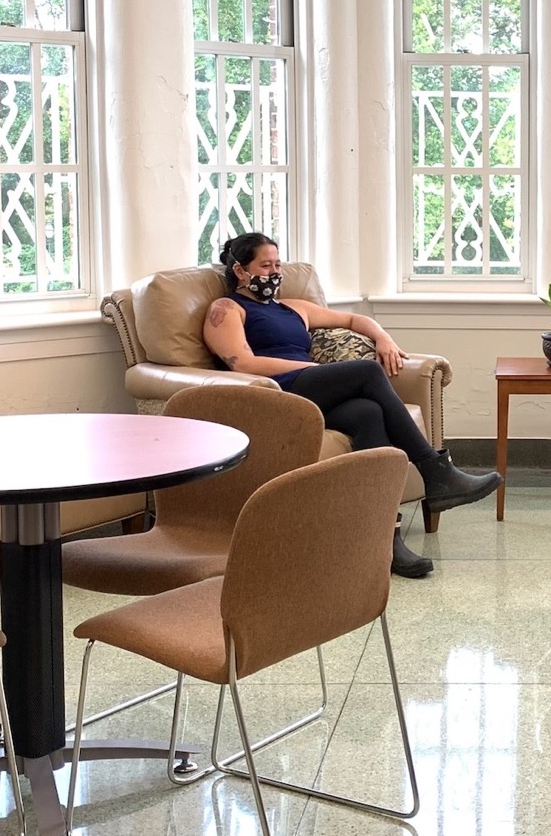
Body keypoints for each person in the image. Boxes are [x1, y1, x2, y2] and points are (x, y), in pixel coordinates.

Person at [204, 232, 502, 578]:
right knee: (366, 371)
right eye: (265, 265)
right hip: (277, 392)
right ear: (241, 271)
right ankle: (436, 472)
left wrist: (383, 337)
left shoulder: (292, 308)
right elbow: (243, 363)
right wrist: (313, 369)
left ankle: (383, 541)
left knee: (367, 413)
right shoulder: (227, 309)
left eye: (277, 265)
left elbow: (352, 320)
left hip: (310, 391)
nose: (274, 273)